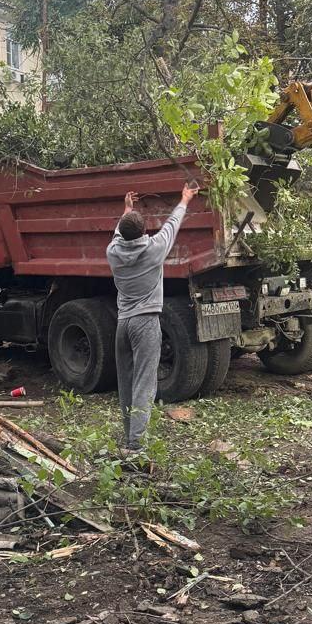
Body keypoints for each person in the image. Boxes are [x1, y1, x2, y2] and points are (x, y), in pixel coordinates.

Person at [107, 182, 198, 452]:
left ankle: (129, 437)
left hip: (123, 324)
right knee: (145, 383)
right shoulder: (154, 249)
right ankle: (135, 445)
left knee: (126, 382)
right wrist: (184, 199)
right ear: (144, 231)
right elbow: (172, 225)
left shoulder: (112, 252)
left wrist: (126, 209)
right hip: (146, 322)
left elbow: (118, 233)